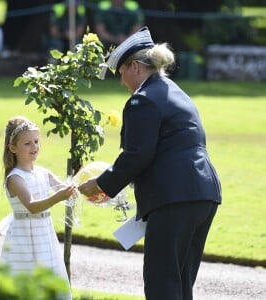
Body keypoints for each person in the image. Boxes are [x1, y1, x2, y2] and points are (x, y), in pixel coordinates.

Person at [78, 27, 222, 300]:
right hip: (203, 193)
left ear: (135, 67)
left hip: (174, 197)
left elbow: (138, 154)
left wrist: (101, 184)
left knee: (161, 285)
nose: (122, 81)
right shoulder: (175, 91)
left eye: (121, 73)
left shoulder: (142, 100)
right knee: (180, 283)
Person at [0, 116, 75, 300]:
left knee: (50, 283)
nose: (34, 147)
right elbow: (32, 206)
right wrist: (59, 196)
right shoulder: (15, 178)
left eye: (36, 141)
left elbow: (67, 188)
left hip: (45, 237)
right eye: (27, 143)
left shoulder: (43, 173)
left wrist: (82, 184)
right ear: (13, 148)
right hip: (23, 239)